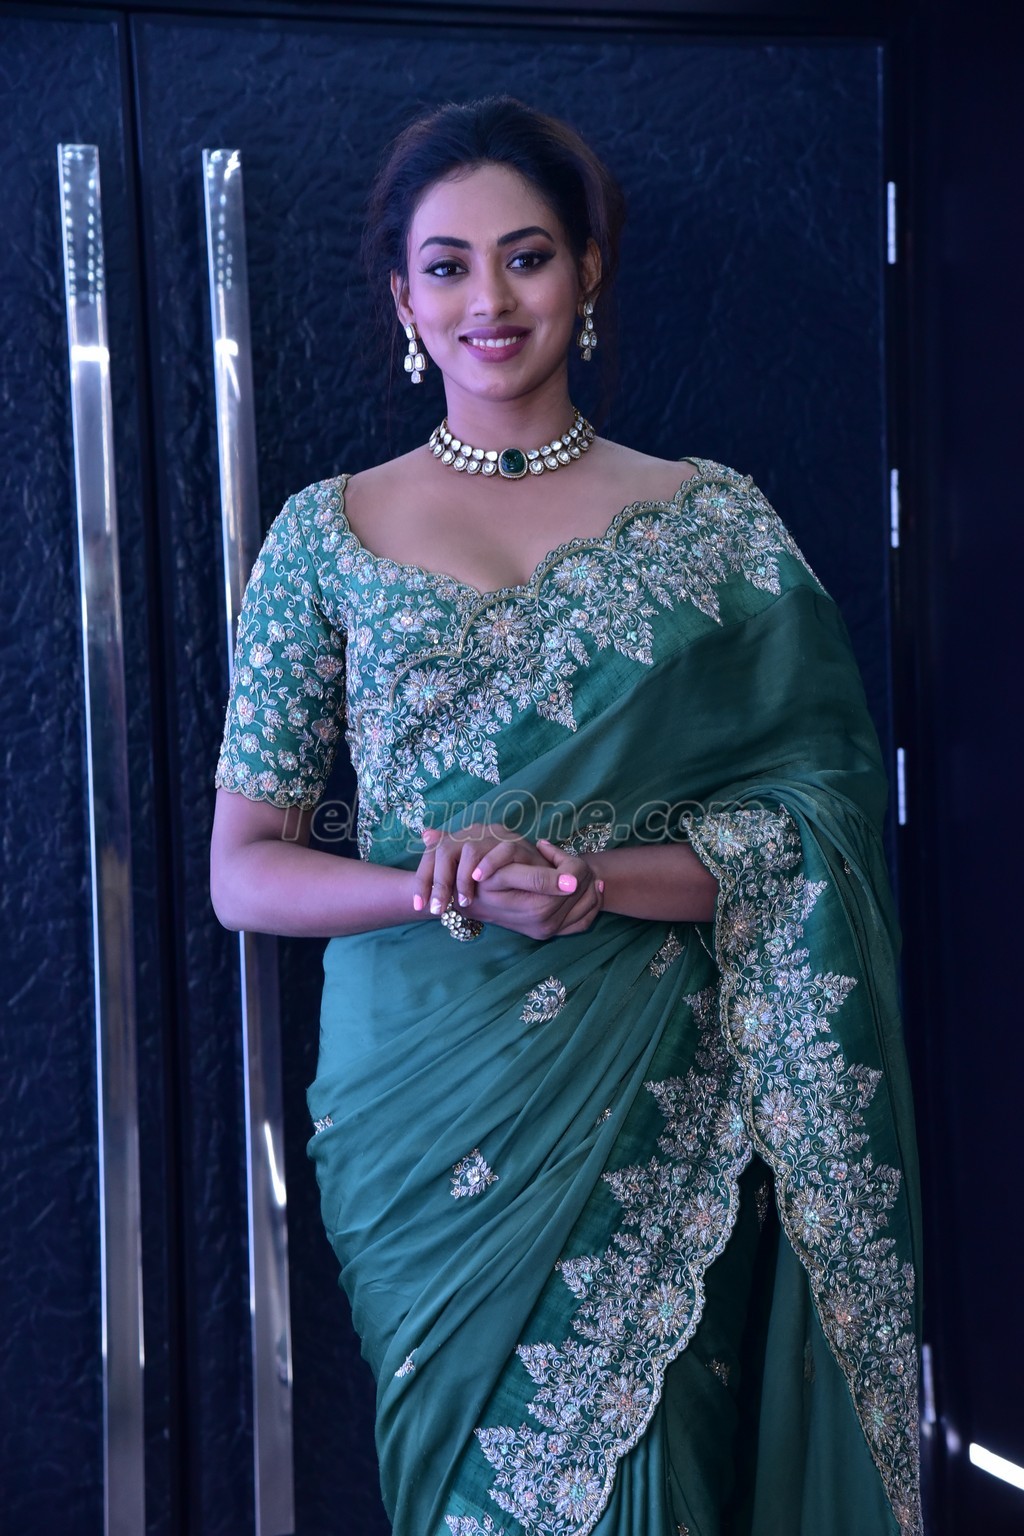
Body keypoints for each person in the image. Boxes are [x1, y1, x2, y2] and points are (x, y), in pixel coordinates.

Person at [209, 96, 923, 1536]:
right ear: (404, 299)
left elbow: (818, 837)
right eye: (449, 266)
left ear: (587, 271)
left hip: (654, 1090)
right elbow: (246, 872)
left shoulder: (716, 527)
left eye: (526, 256)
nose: (490, 300)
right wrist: (438, 884)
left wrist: (585, 875)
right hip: (420, 1108)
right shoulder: (322, 540)